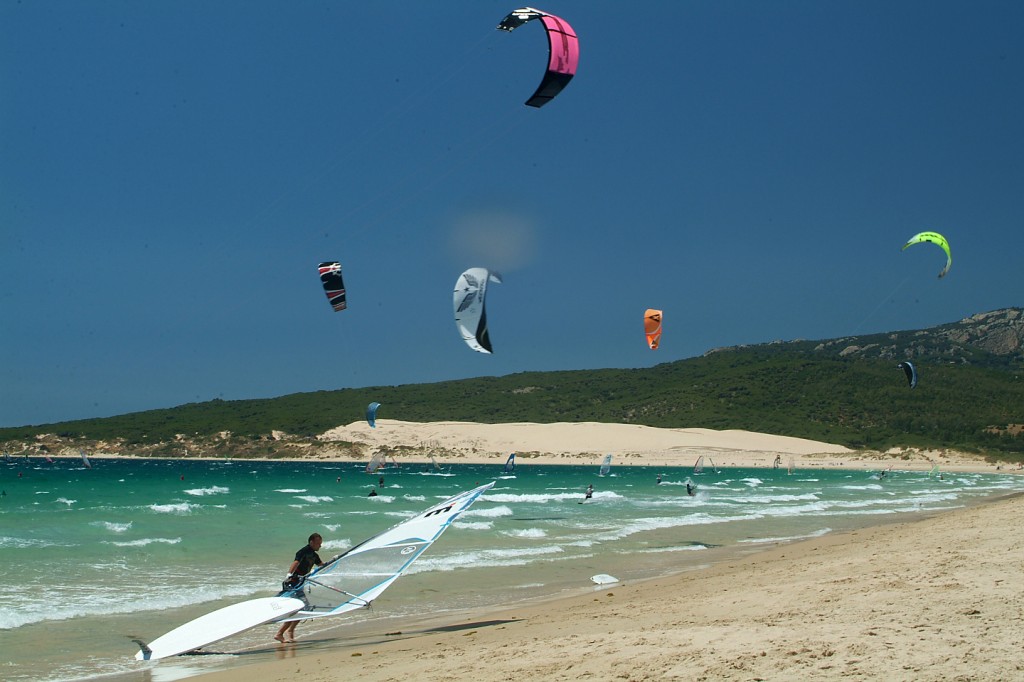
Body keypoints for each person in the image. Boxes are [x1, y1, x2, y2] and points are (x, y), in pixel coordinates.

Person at [275, 533, 324, 643]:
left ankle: (288, 631)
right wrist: (289, 574)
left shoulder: (314, 555)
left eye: (320, 544)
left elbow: (321, 565)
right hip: (292, 583)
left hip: (300, 584)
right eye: (318, 543)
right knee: (298, 607)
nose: (320, 546)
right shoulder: (303, 551)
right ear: (311, 542)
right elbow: (296, 562)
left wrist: (334, 562)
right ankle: (281, 633)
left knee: (303, 607)